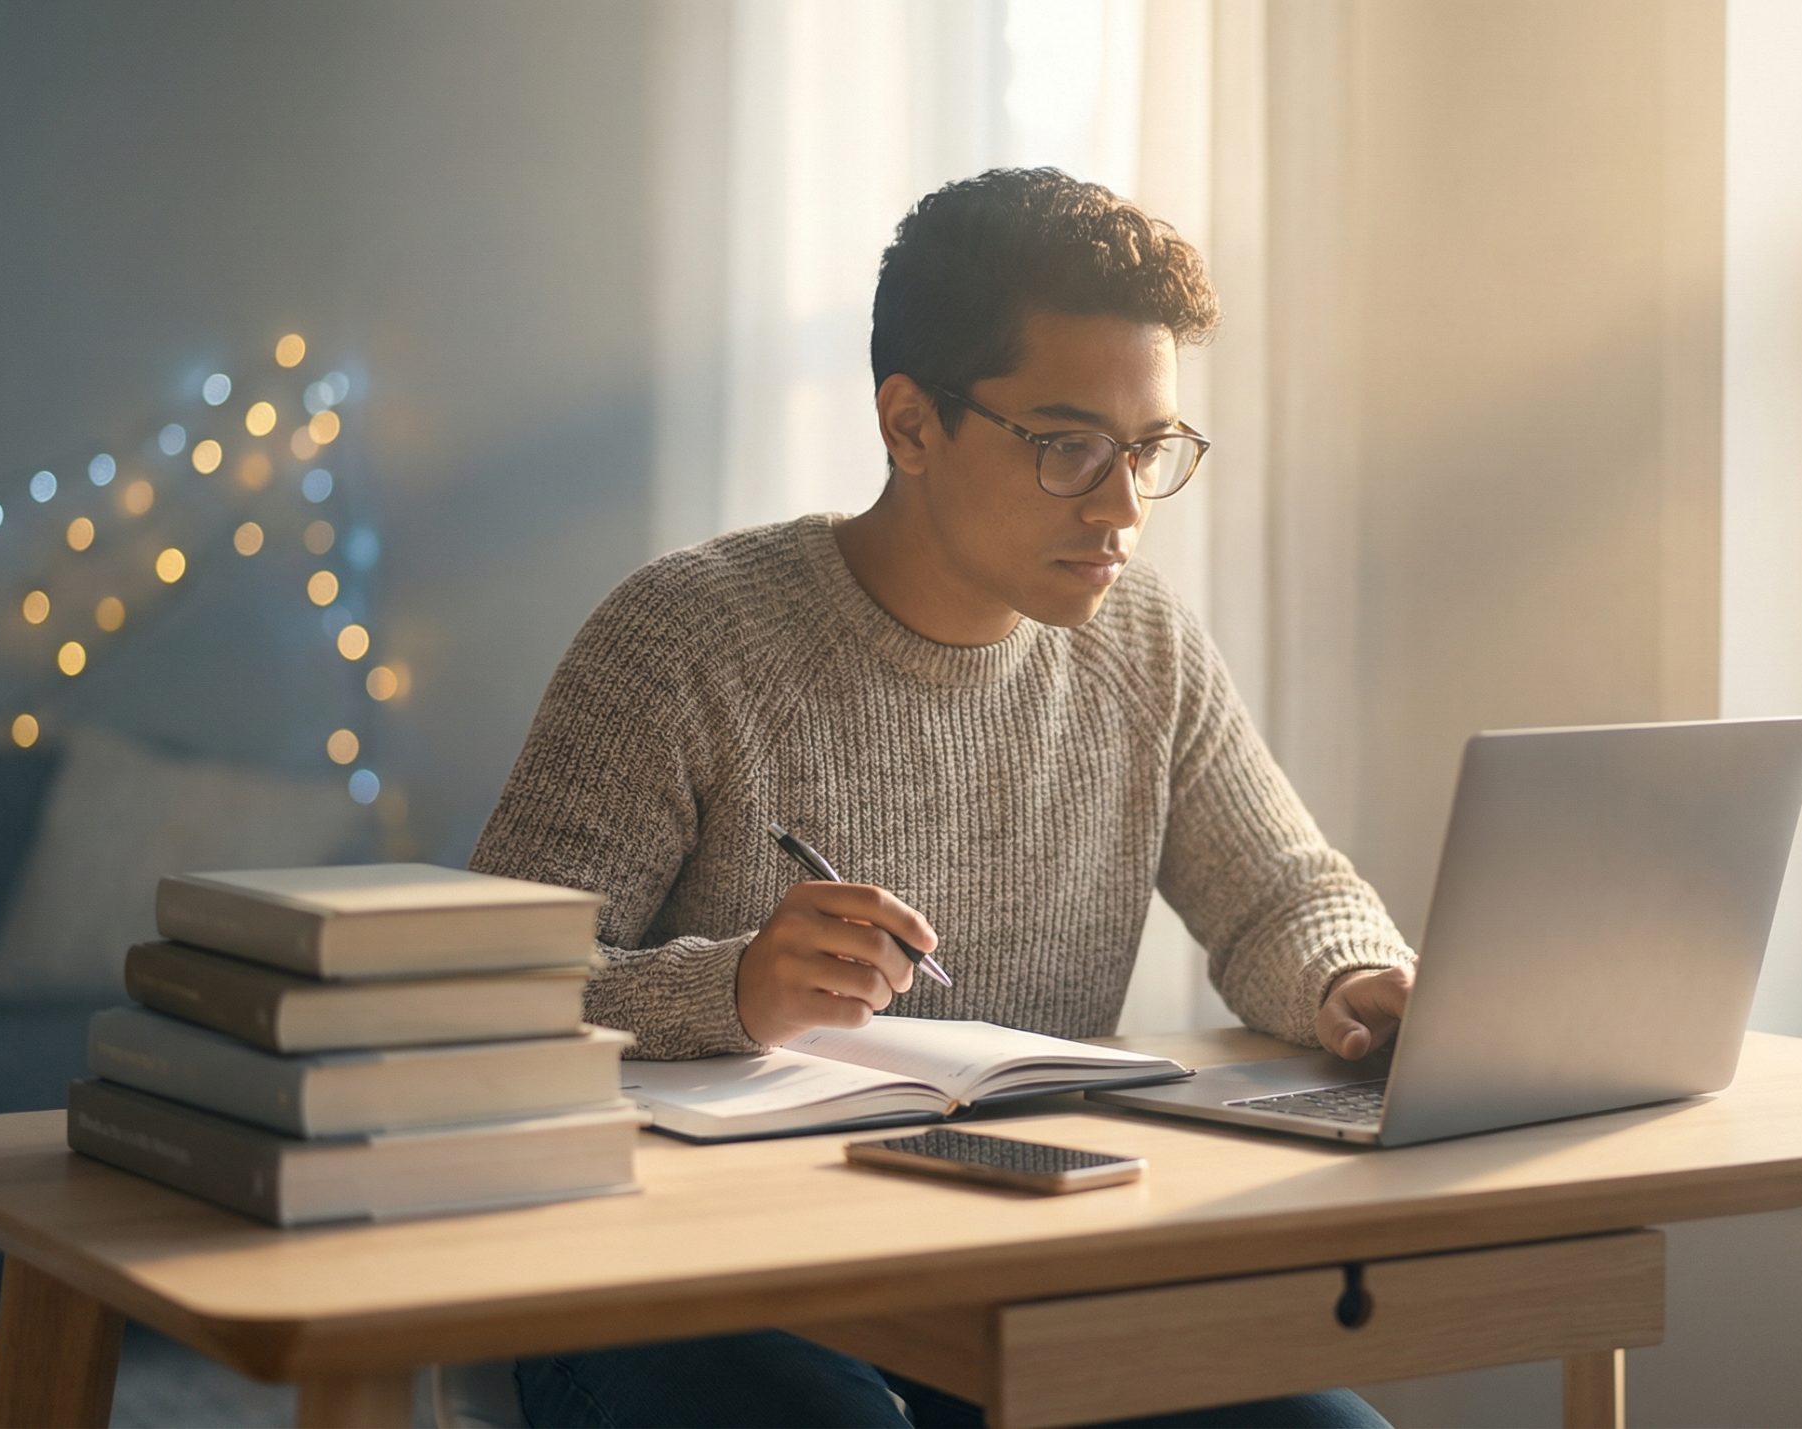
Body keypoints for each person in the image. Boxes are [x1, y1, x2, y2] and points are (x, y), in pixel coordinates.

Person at [471, 166, 1415, 1429]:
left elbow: (1279, 896)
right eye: (1070, 446)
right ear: (909, 424)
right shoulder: (686, 636)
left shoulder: (1141, 644)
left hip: (1012, 1273)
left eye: (1149, 450)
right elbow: (471, 1005)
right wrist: (733, 988)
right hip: (675, 1285)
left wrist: (1353, 984)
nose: (1124, 507)